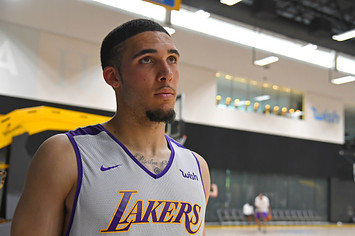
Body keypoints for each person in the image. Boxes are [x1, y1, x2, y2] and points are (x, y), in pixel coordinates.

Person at [11, 19, 211, 236]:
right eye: (147, 60)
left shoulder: (197, 168)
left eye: (172, 59)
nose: (166, 72)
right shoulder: (64, 155)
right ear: (113, 77)